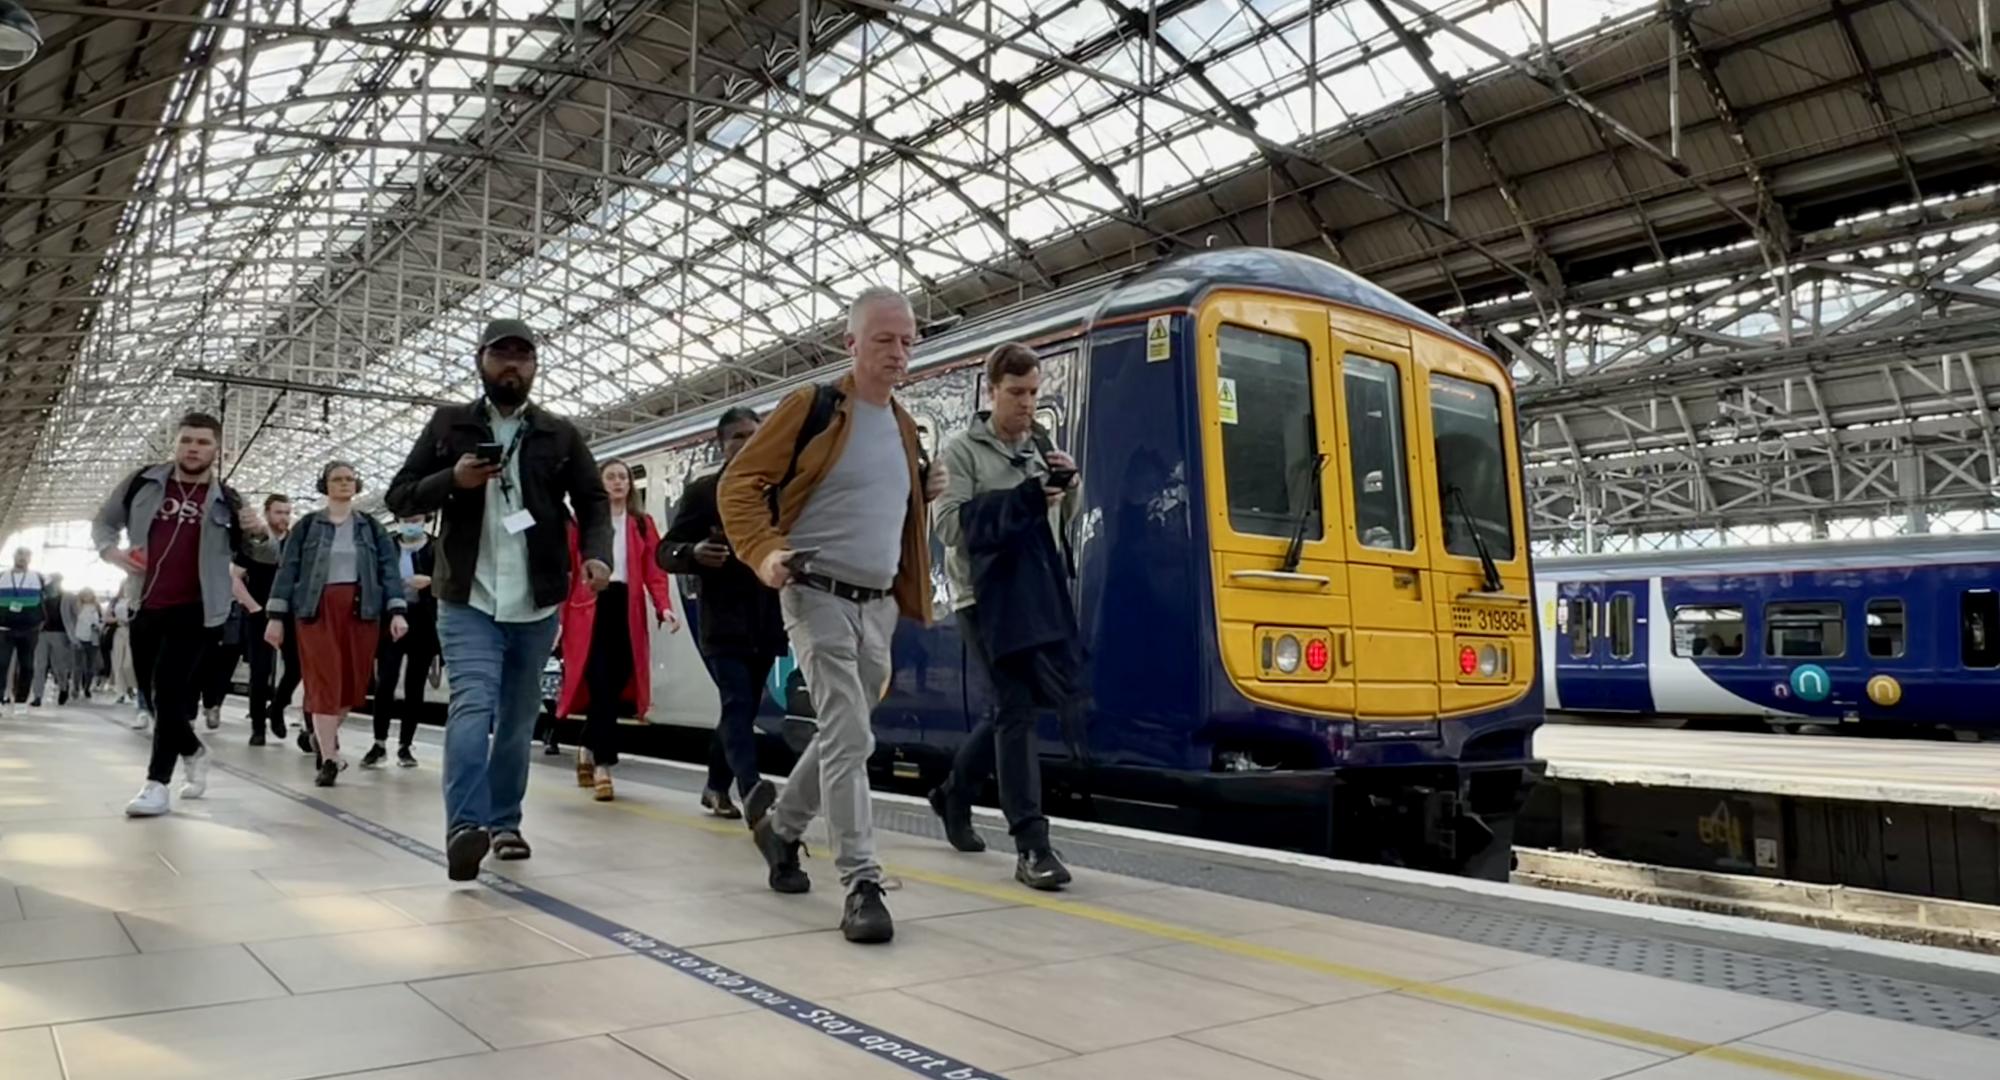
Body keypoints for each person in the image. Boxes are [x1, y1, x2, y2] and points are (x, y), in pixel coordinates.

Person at [718, 286, 948, 945]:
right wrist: (765, 552)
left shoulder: (904, 426)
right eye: (884, 340)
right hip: (815, 592)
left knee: (845, 733)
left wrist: (924, 491)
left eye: (907, 341)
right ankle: (861, 883)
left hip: (878, 606)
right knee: (851, 733)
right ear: (851, 343)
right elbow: (740, 484)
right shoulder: (813, 407)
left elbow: (880, 508)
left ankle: (781, 828)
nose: (898, 352)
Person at [387, 318, 610, 881]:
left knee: (516, 717)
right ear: (480, 360)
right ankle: (465, 827)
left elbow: (592, 501)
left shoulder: (559, 433)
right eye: (501, 355)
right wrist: (452, 479)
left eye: (523, 356)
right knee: (472, 704)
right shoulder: (449, 425)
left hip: (537, 600)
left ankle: (505, 822)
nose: (512, 365)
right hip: (468, 595)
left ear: (534, 366)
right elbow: (399, 495)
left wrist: (597, 554)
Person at [928, 343, 1081, 890]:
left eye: (1034, 393)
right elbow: (949, 527)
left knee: (1011, 708)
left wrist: (1069, 487)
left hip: (1033, 597)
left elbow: (1060, 524)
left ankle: (953, 793)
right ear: (991, 391)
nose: (1027, 403)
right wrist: (1023, 499)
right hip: (983, 600)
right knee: (1015, 710)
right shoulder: (961, 451)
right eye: (1016, 393)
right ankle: (1032, 845)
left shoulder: (1042, 446)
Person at [93, 411, 276, 817]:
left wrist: (258, 531)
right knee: (153, 696)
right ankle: (193, 749)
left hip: (198, 609)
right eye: (187, 440)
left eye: (203, 442)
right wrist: (111, 553)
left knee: (169, 691)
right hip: (144, 603)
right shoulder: (142, 482)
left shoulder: (229, 500)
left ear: (218, 450)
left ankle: (156, 785)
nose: (193, 448)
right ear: (175, 444)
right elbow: (104, 522)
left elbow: (265, 555)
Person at [661, 406, 786, 818]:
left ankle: (715, 787)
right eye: (738, 437)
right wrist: (693, 553)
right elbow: (666, 550)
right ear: (722, 445)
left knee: (743, 708)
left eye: (755, 434)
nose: (748, 443)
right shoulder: (704, 493)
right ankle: (752, 791)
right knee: (736, 702)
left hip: (766, 618)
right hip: (722, 620)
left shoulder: (778, 493)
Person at [264, 462, 408, 786]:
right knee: (324, 681)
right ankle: (330, 759)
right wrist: (275, 618)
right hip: (316, 610)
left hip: (362, 610)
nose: (344, 483)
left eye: (349, 479)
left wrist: (397, 611)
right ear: (325, 485)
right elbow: (288, 570)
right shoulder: (307, 526)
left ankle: (320, 737)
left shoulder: (372, 528)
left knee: (352, 686)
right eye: (337, 479)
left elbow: (389, 570)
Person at [557, 459, 673, 801]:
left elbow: (654, 571)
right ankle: (604, 766)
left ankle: (586, 746)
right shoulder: (584, 523)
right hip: (590, 607)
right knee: (600, 683)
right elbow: (569, 569)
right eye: (611, 477)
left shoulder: (642, 524)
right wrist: (558, 618)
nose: (618, 482)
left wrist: (663, 606)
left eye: (623, 477)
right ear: (600, 483)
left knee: (618, 679)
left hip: (626, 607)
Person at [364, 514, 439, 769]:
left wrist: (431, 582)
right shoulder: (387, 545)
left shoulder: (435, 547)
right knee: (385, 680)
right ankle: (379, 742)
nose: (411, 523)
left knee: (415, 685)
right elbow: (375, 577)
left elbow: (450, 579)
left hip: (424, 621)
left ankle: (406, 745)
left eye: (415, 519)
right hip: (390, 619)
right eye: (406, 518)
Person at [239, 494, 295, 745]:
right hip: (259, 613)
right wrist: (253, 607)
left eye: (287, 512)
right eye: (278, 512)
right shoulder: (254, 543)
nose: (284, 517)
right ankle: (258, 727)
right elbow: (234, 577)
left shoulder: (295, 542)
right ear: (267, 513)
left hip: (290, 613)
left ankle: (278, 706)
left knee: (296, 666)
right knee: (260, 671)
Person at [0, 547, 42, 717]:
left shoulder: (37, 577)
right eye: (19, 555)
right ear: (14, 557)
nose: (22, 558)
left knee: (27, 666)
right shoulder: (2, 576)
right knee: (1, 664)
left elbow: (49, 597)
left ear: (30, 559)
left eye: (25, 556)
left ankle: (21, 701)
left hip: (29, 629)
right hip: (4, 628)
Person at [30, 573, 72, 706]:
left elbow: (73, 615)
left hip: (60, 633)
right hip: (42, 633)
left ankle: (64, 687)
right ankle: (37, 696)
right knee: (39, 665)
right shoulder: (41, 596)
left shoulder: (67, 597)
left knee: (59, 665)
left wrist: (73, 635)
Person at [68, 589, 104, 701]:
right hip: (79, 637)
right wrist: (73, 637)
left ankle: (87, 687)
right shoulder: (77, 608)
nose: (87, 597)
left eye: (89, 595)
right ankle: (75, 688)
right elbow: (72, 622)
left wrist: (98, 626)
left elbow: (102, 621)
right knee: (77, 666)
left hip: (93, 639)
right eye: (85, 595)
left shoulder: (97, 608)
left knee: (90, 666)